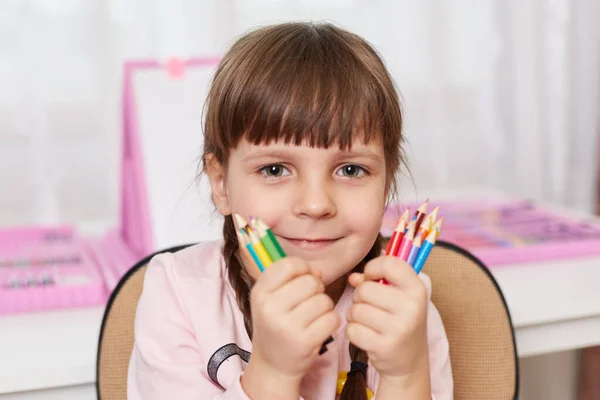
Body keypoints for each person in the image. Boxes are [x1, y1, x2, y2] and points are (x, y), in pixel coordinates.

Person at [128, 21, 453, 399]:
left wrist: (405, 376)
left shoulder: (403, 301)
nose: (315, 205)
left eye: (350, 170)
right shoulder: (178, 294)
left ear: (387, 186)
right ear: (221, 184)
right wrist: (272, 372)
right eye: (274, 169)